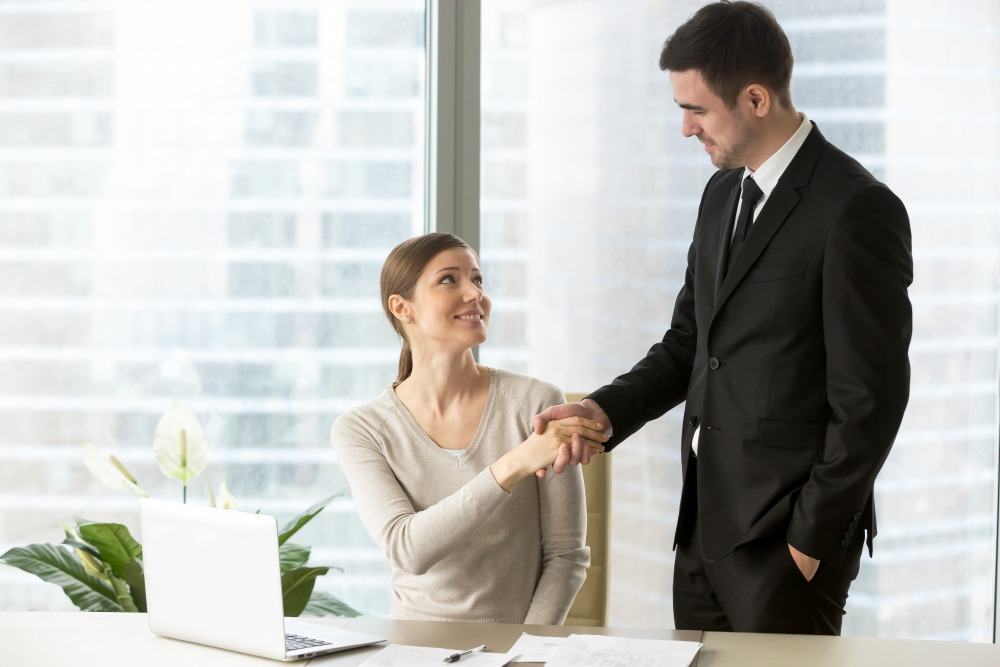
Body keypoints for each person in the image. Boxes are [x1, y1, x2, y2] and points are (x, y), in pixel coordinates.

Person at [534, 1, 912, 635]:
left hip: (787, 543)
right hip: (703, 529)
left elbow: (871, 401)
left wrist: (810, 541)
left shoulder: (856, 209)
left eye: (697, 109)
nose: (685, 128)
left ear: (757, 100)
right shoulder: (721, 193)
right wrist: (605, 411)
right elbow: (690, 344)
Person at [331, 232, 606, 624]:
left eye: (477, 279)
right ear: (401, 307)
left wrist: (526, 651)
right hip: (414, 649)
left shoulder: (537, 404)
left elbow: (566, 556)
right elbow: (408, 549)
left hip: (516, 651)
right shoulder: (362, 429)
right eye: (449, 280)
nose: (475, 293)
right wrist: (515, 463)